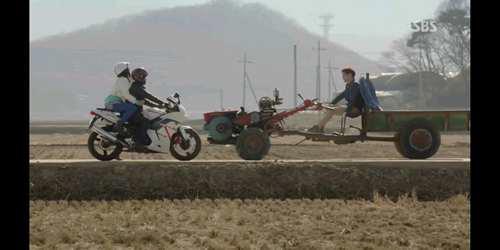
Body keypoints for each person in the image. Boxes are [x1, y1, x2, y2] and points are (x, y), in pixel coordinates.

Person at [308, 67, 364, 133]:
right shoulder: (348, 86)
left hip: (354, 109)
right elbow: (341, 96)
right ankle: (320, 127)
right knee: (329, 109)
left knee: (332, 110)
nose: (343, 77)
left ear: (350, 75)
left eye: (344, 75)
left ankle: (318, 127)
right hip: (349, 107)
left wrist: (344, 108)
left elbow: (353, 101)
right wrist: (331, 104)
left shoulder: (355, 86)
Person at [128, 67, 167, 147]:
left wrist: (157, 106)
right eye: (143, 76)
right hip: (132, 112)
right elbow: (148, 96)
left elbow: (145, 101)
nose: (144, 78)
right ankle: (139, 143)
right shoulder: (135, 87)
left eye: (144, 76)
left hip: (135, 111)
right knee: (145, 122)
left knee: (149, 119)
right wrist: (162, 103)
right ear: (138, 77)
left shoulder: (137, 87)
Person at [104, 62, 142, 132]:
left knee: (129, 112)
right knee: (132, 108)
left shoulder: (125, 80)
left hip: (114, 103)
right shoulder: (122, 80)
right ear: (125, 70)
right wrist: (136, 101)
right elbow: (126, 94)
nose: (129, 70)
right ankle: (119, 124)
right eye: (127, 69)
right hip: (113, 103)